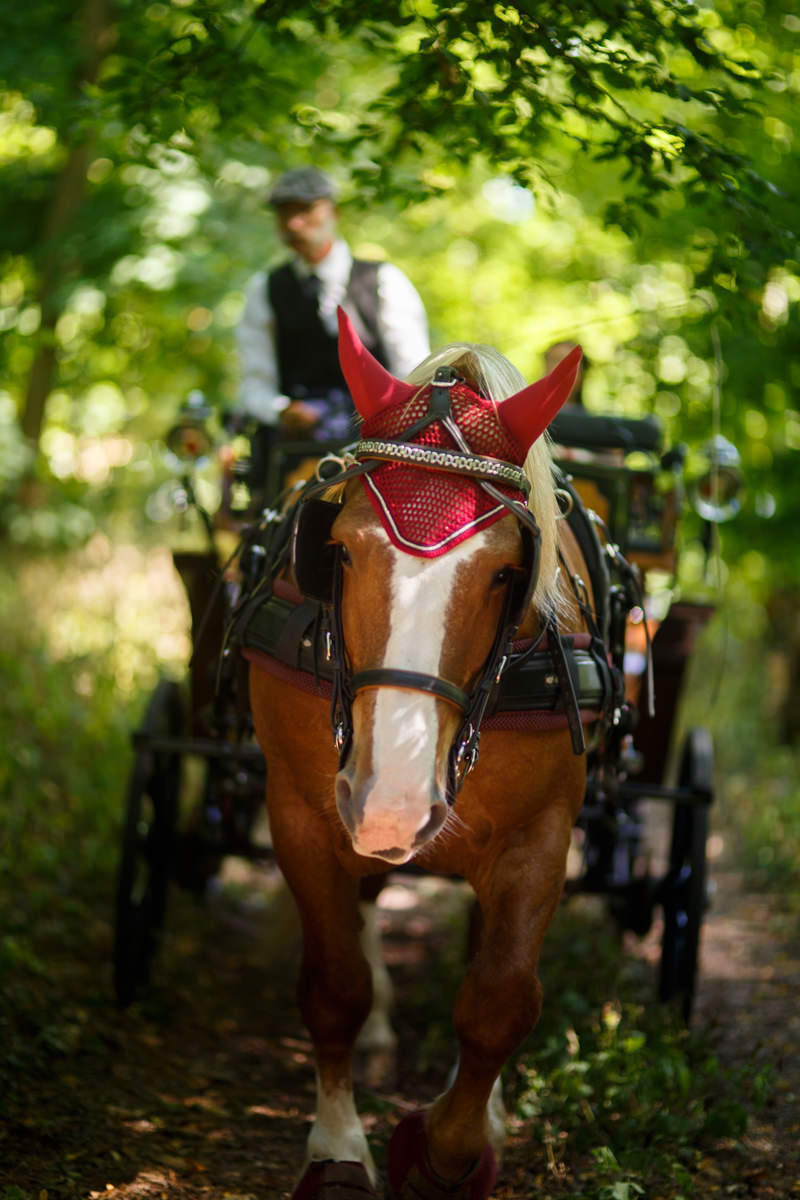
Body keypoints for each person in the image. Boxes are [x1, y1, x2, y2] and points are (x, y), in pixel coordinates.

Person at [235, 167, 430, 491]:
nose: (294, 222)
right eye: (284, 212)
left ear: (334, 211)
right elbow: (255, 383)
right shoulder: (264, 289)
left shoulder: (384, 281)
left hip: (379, 443)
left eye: (305, 209)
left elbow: (412, 370)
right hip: (294, 448)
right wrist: (282, 410)